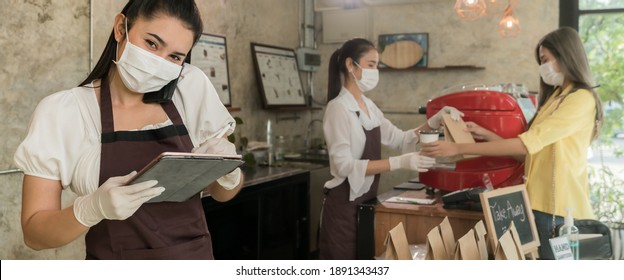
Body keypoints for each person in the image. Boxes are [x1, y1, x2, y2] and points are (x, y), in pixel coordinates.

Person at [14, 0, 243, 260]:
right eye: (152, 44)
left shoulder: (190, 88)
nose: (160, 63)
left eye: (175, 57)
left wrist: (229, 175)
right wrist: (90, 209)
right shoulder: (64, 112)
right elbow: (34, 234)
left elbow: (224, 194)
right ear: (121, 28)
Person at [420, 26, 604, 259]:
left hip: (559, 209)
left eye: (545, 59)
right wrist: (486, 134)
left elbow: (525, 145)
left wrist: (458, 148)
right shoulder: (557, 97)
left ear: (565, 55)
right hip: (537, 205)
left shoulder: (581, 99)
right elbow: (529, 155)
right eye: (541, 61)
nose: (542, 67)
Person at [318, 38, 463, 259]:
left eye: (377, 65)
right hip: (342, 209)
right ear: (350, 65)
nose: (376, 71)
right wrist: (400, 162)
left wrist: (434, 121)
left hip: (365, 203)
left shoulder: (369, 106)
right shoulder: (338, 108)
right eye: (371, 65)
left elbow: (400, 139)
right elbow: (342, 166)